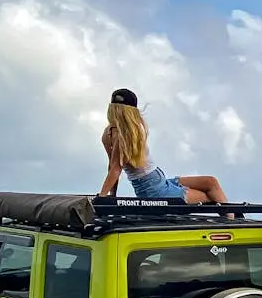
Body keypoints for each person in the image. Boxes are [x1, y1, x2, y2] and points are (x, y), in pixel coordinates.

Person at [97, 88, 233, 210]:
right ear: (131, 112)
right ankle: (231, 223)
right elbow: (115, 168)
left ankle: (230, 218)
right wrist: (102, 198)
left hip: (157, 183)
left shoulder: (109, 133)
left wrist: (111, 195)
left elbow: (112, 166)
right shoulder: (127, 135)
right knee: (209, 196)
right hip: (155, 190)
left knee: (211, 182)